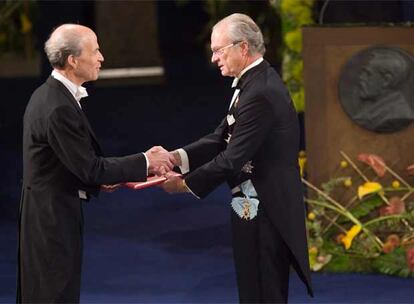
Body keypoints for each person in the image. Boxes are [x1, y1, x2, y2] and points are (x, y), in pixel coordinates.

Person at [17, 24, 174, 303]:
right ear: (73, 60)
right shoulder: (58, 107)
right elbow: (90, 168)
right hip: (50, 221)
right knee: (53, 294)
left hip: (51, 212)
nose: (101, 57)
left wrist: (99, 177)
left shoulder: (53, 95)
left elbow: (75, 164)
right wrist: (146, 161)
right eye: (95, 51)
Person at [162, 13, 313, 303]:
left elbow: (231, 158)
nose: (214, 58)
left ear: (242, 48)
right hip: (250, 203)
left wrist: (184, 184)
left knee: (263, 289)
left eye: (219, 50)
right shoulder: (252, 83)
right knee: (252, 285)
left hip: (267, 208)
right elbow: (221, 136)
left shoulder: (260, 92)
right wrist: (174, 158)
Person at [355, 49, 414, 133]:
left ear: (386, 81)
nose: (361, 78)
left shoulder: (397, 118)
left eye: (368, 74)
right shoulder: (377, 110)